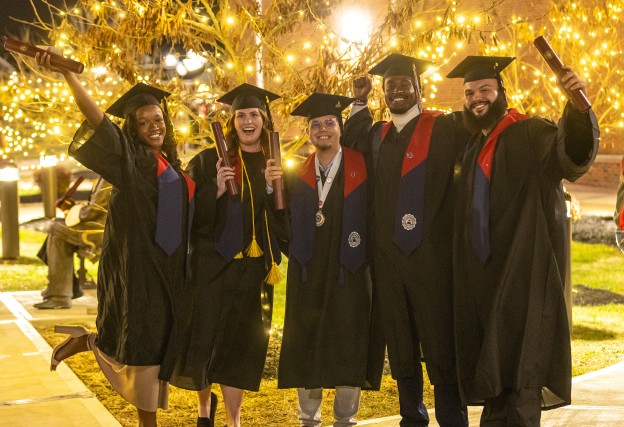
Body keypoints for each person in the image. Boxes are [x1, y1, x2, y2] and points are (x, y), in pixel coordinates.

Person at [36, 50, 195, 427]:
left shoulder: (173, 166)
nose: (154, 126)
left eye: (158, 119)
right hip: (140, 269)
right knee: (143, 344)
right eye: (144, 123)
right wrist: (69, 77)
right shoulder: (133, 162)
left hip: (171, 270)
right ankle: (147, 423)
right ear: (134, 130)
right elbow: (98, 121)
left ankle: (84, 341)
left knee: (161, 344)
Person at [446, 55, 600, 426]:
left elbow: (571, 157)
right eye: (469, 93)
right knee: (495, 371)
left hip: (523, 268)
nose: (476, 98)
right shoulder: (470, 145)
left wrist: (577, 109)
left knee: (521, 369)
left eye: (484, 89)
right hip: (482, 275)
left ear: (501, 92)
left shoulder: (530, 131)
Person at [343, 53, 469, 427]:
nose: (397, 90)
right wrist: (359, 100)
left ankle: (452, 418)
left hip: (432, 261)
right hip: (388, 260)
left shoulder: (444, 128)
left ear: (418, 88)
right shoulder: (376, 134)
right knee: (400, 342)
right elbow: (350, 145)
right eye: (391, 85)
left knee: (440, 343)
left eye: (404, 84)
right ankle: (411, 418)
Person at [265, 93, 385, 427]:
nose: (323, 130)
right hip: (310, 274)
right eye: (315, 124)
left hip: (353, 271)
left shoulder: (363, 168)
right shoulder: (297, 175)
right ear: (308, 132)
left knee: (350, 340)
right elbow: (281, 223)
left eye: (329, 123)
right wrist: (267, 189)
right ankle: (308, 418)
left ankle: (345, 419)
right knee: (308, 341)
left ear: (340, 127)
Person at [167, 83, 283, 427]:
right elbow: (185, 216)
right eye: (241, 115)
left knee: (240, 347)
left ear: (264, 121)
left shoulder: (273, 165)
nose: (248, 121)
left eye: (254, 115)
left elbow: (281, 221)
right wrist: (214, 190)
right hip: (211, 268)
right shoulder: (208, 161)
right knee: (204, 341)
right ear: (231, 123)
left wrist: (271, 187)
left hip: (253, 272)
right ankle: (205, 412)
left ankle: (234, 421)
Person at [34, 176, 112, 309]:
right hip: (100, 227)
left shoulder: (108, 175)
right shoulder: (106, 172)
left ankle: (61, 294)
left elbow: (95, 209)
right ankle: (63, 293)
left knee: (54, 228)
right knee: (58, 236)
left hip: (100, 231)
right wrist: (73, 209)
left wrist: (72, 211)